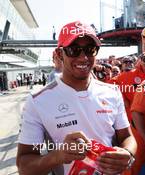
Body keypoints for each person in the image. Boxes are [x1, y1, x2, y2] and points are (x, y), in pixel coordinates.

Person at [16, 21, 137, 175]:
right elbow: (24, 167)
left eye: (90, 49)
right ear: (60, 54)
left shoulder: (112, 92)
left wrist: (129, 153)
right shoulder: (38, 101)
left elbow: (127, 137)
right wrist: (57, 156)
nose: (83, 57)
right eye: (74, 50)